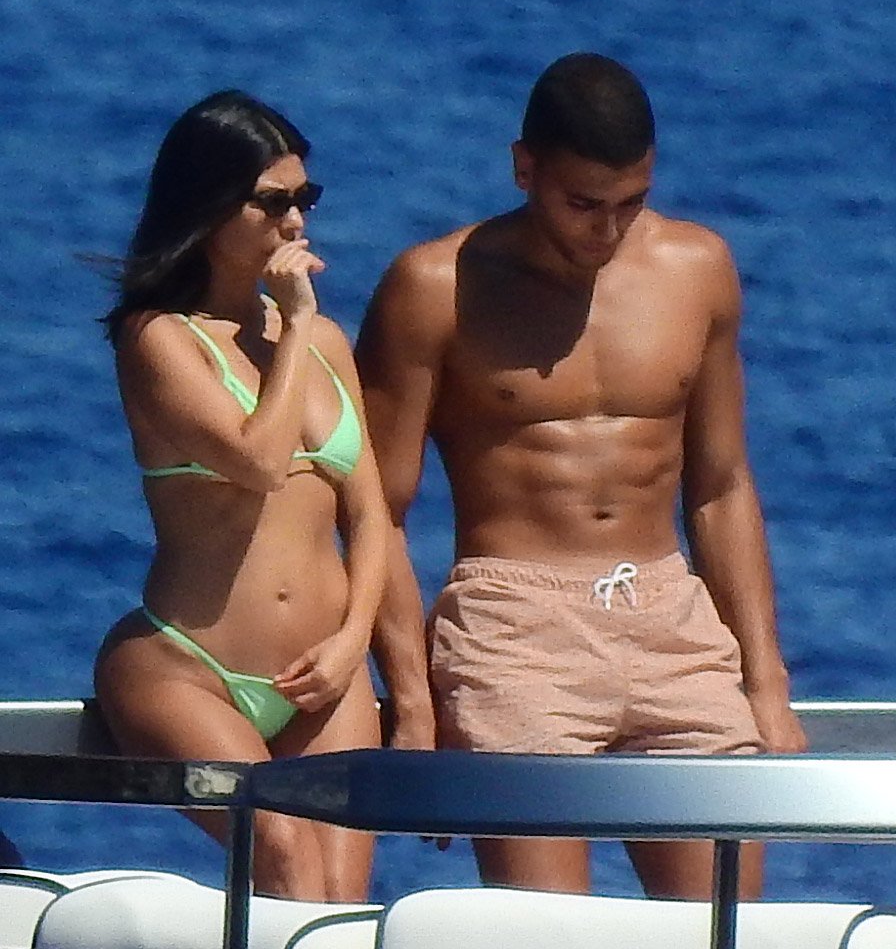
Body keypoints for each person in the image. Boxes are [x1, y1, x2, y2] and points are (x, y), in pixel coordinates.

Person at [355, 52, 806, 899]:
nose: (607, 230)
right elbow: (375, 507)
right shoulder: (434, 288)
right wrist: (411, 700)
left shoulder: (697, 269)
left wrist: (765, 681)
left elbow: (720, 486)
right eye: (583, 204)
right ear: (524, 168)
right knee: (548, 947)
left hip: (671, 617)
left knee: (725, 940)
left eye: (630, 203)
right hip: (514, 625)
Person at [94, 90, 388, 902]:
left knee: (339, 901)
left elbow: (369, 515)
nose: (294, 222)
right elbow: (259, 460)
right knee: (283, 854)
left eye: (304, 199)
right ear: (209, 206)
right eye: (271, 203)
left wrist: (353, 642)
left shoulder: (327, 343)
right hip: (190, 665)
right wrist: (291, 327)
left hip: (322, 671)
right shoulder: (158, 337)